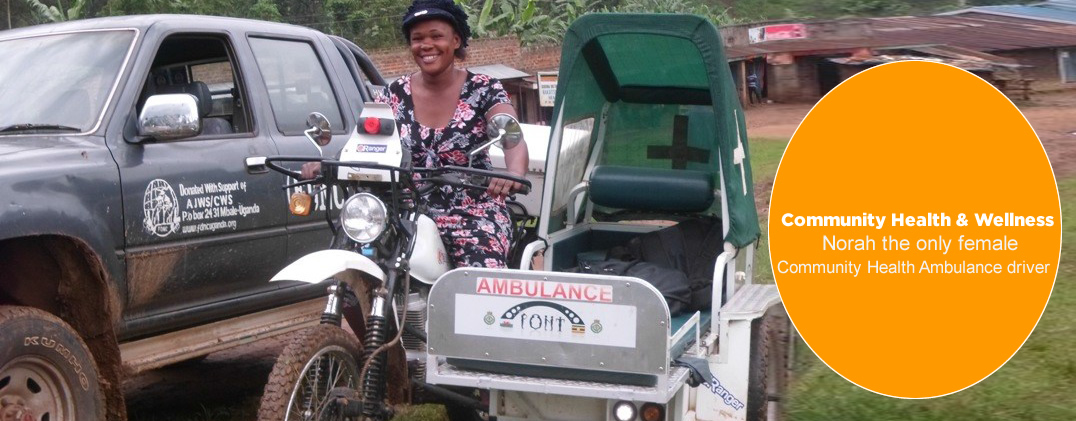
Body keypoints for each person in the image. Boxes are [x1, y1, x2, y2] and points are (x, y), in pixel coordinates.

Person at [303, 0, 529, 269]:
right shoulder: (393, 94)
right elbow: (364, 143)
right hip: (405, 211)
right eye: (417, 38)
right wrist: (327, 163)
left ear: (456, 40)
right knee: (354, 261)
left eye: (436, 36)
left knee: (479, 275)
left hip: (472, 211)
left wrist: (513, 173)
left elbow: (510, 133)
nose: (426, 45)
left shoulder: (484, 89)